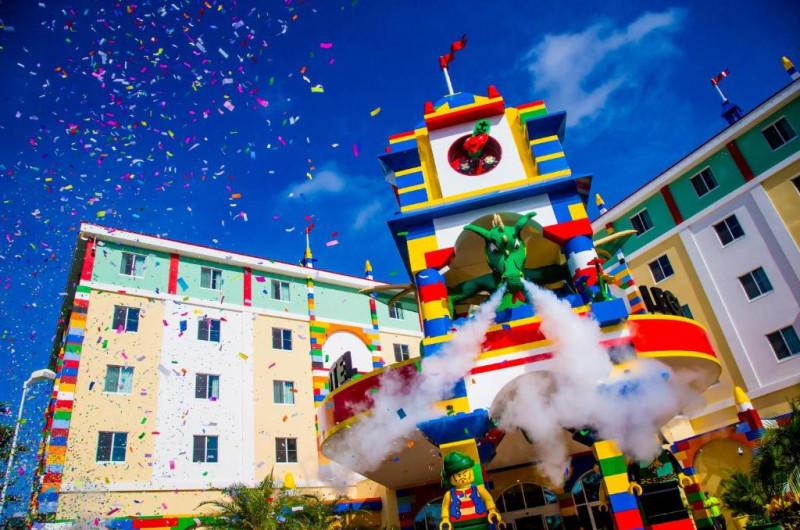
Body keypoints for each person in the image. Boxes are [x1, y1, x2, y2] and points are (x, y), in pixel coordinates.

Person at [439, 451, 504, 530]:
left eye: (465, 473)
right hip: (460, 525)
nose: (462, 477)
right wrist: (445, 518)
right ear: (450, 478)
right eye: (458, 475)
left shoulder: (478, 488)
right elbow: (445, 507)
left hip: (480, 521)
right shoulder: (449, 494)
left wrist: (491, 509)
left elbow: (488, 499)